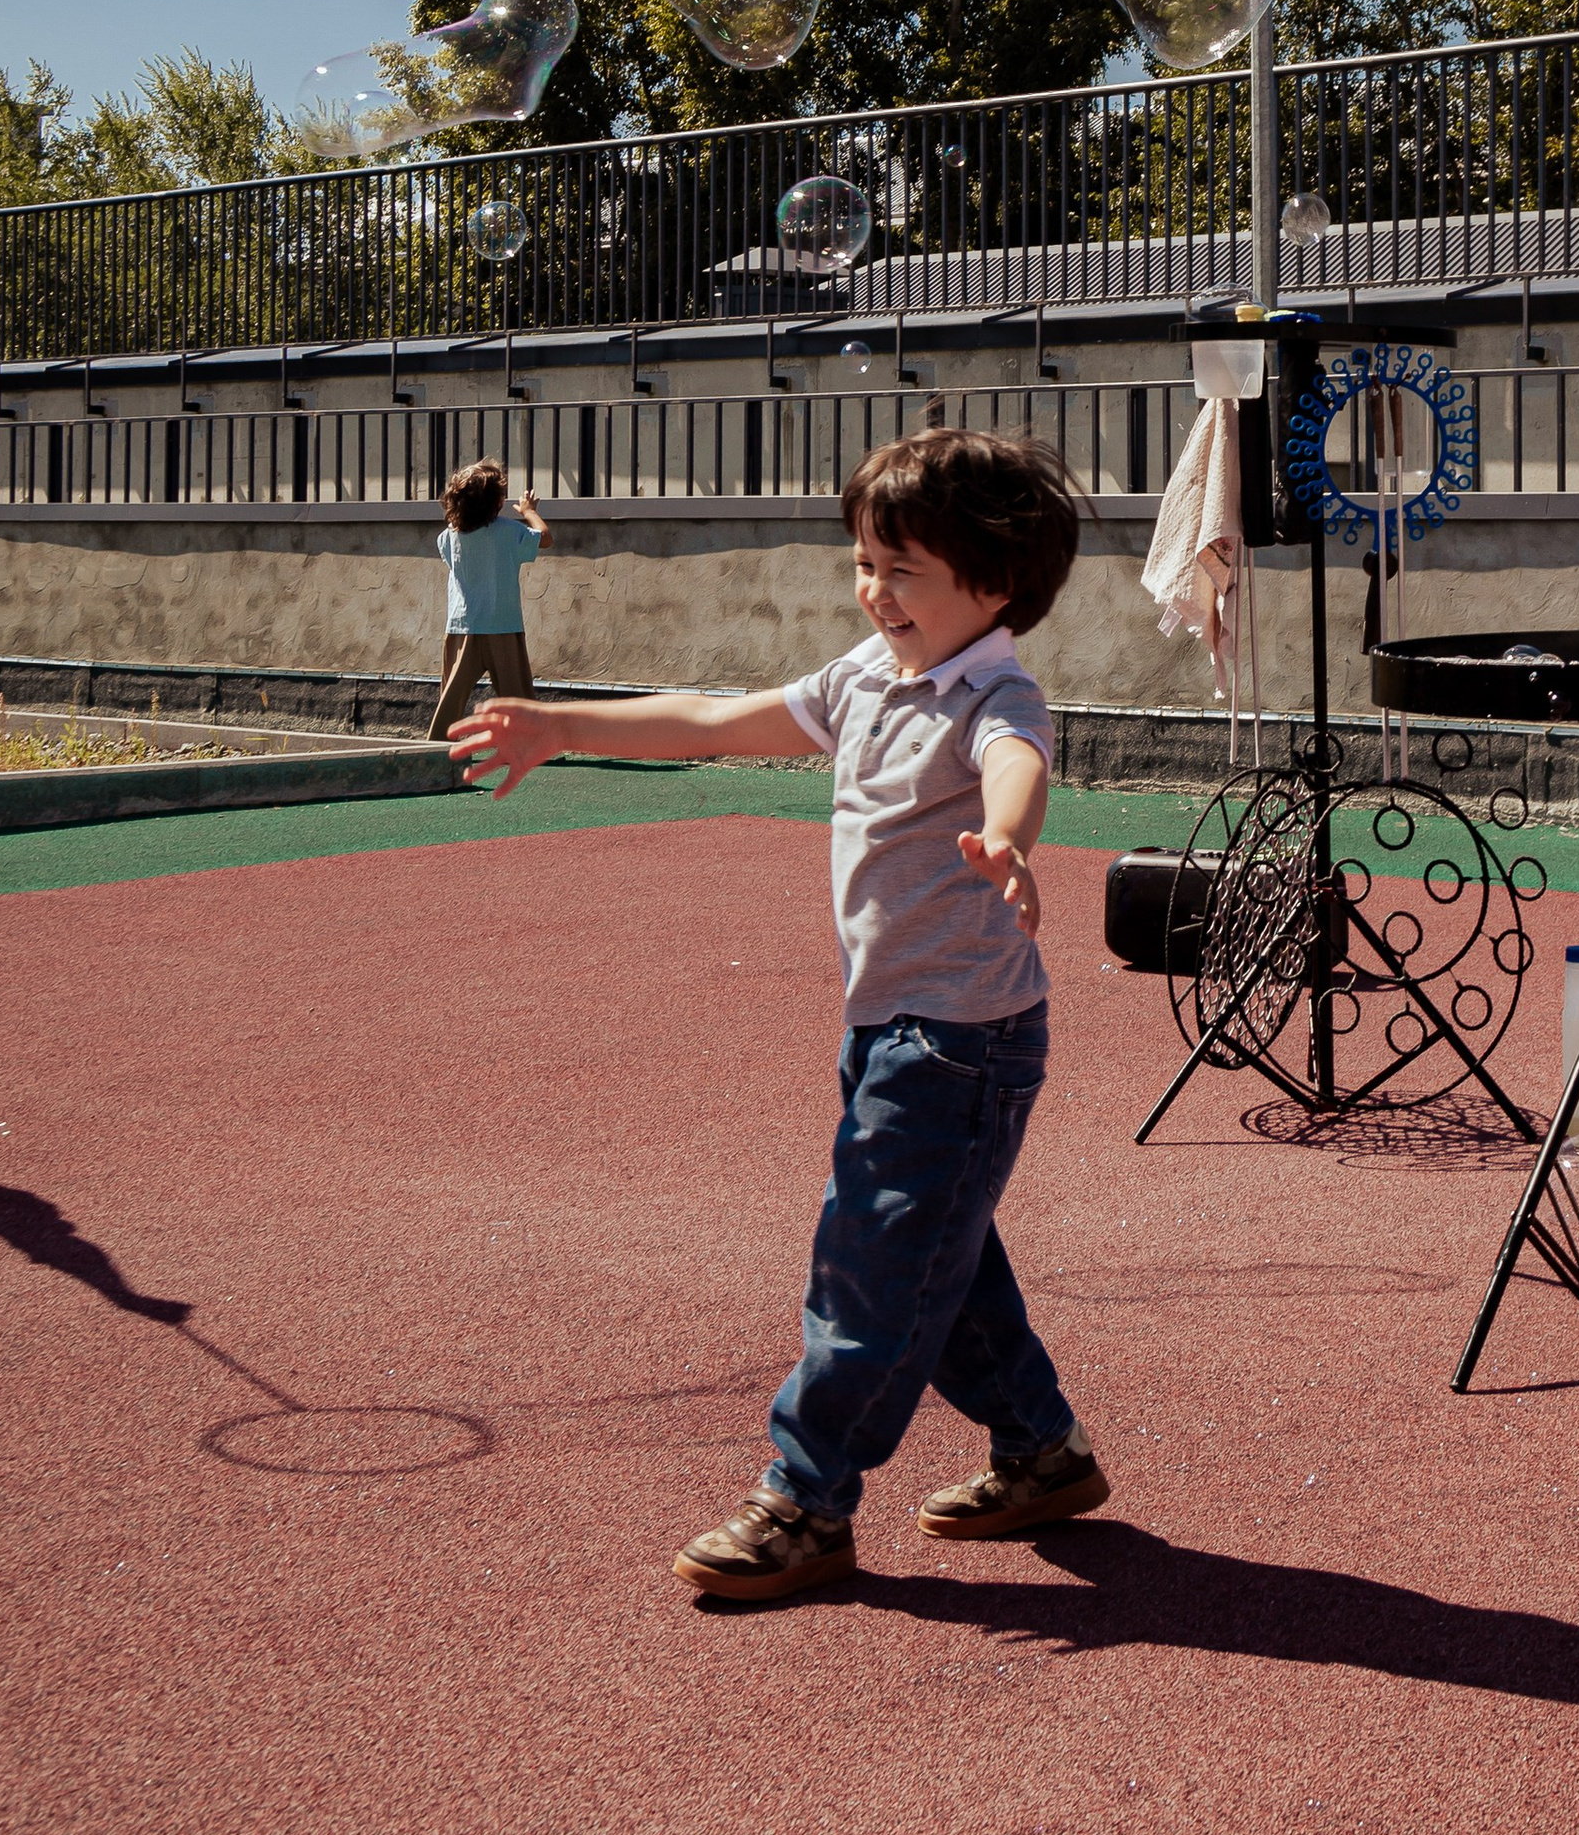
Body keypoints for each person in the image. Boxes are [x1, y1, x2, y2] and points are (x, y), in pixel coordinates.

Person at [448, 426, 1108, 1606]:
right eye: (865, 562)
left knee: (870, 1263)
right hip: (892, 1029)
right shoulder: (864, 677)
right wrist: (561, 725)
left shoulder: (993, 690)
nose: (873, 589)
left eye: (902, 569)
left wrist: (1009, 834)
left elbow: (1019, 761)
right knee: (938, 1253)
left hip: (959, 1040)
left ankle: (806, 1499)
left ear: (993, 584)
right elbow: (712, 718)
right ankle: (1041, 1451)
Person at [428, 456, 547, 742]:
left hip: (461, 625)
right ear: (496, 502)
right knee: (517, 694)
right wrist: (529, 511)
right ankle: (530, 743)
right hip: (502, 625)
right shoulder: (509, 531)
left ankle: (437, 745)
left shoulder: (448, 537)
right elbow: (544, 537)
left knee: (451, 696)